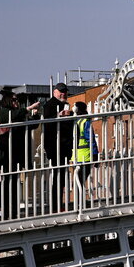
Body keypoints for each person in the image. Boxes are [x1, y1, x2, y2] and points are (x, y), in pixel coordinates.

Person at [0, 90, 35, 220]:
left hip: (17, 152)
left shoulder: (18, 114)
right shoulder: (4, 112)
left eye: (17, 100)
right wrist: (27, 109)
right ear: (8, 101)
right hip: (6, 152)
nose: (16, 102)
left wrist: (35, 115)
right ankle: (7, 212)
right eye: (14, 100)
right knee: (7, 182)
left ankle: (13, 212)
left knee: (14, 182)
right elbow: (11, 116)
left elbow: (31, 126)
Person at [42, 83, 74, 211]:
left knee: (61, 175)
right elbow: (47, 122)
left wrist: (69, 115)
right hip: (55, 146)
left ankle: (58, 204)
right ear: (55, 92)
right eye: (61, 91)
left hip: (64, 145)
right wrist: (59, 116)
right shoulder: (49, 105)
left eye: (65, 91)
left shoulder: (65, 104)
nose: (64, 94)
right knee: (58, 175)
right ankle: (56, 205)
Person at [71, 101, 99, 207]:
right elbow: (91, 139)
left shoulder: (78, 121)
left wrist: (95, 155)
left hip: (82, 157)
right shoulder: (82, 121)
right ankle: (80, 203)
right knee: (79, 181)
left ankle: (80, 204)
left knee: (78, 180)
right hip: (81, 156)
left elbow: (90, 139)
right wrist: (95, 155)